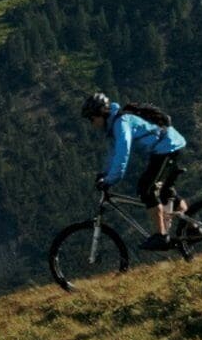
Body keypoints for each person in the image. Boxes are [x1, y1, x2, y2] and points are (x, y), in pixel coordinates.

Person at [80, 90, 187, 242]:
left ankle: (160, 236)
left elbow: (123, 153)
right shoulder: (113, 127)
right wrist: (104, 173)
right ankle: (193, 227)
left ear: (101, 114)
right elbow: (113, 154)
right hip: (166, 147)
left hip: (168, 147)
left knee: (146, 189)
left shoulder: (121, 123)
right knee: (165, 193)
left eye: (92, 119)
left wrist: (111, 179)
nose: (92, 124)